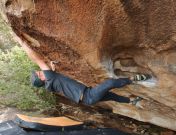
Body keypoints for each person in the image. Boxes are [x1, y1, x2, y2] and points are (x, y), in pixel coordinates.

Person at [15, 35, 149, 105]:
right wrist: (22, 43)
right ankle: (133, 79)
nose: (40, 71)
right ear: (42, 78)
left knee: (112, 96)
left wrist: (52, 67)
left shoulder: (50, 83)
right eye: (39, 73)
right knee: (110, 83)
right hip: (88, 96)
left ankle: (132, 102)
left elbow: (55, 77)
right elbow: (37, 60)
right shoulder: (49, 78)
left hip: (87, 97)